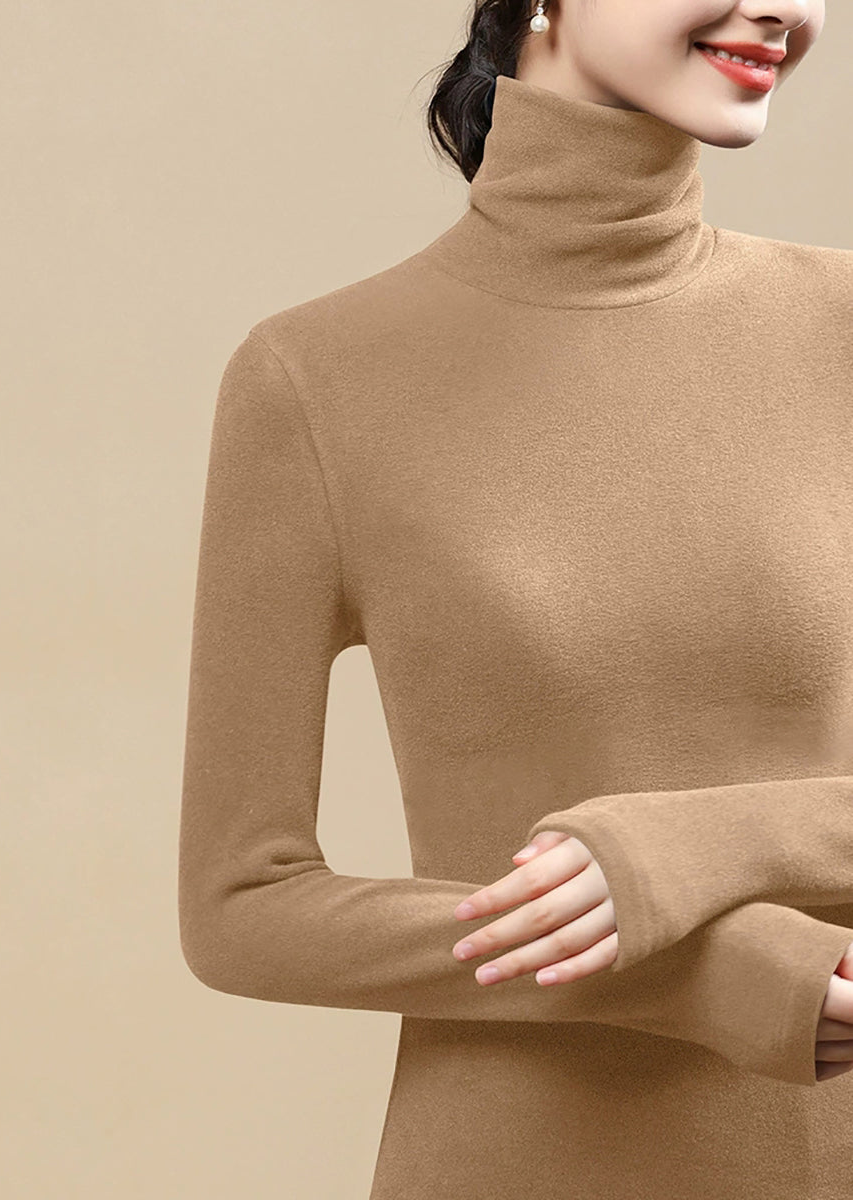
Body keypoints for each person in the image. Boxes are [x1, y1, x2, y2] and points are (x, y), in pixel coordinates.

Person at [178, 1, 853, 1196]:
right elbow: (240, 906)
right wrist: (703, 976)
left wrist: (680, 850)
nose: (784, 10)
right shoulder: (312, 381)